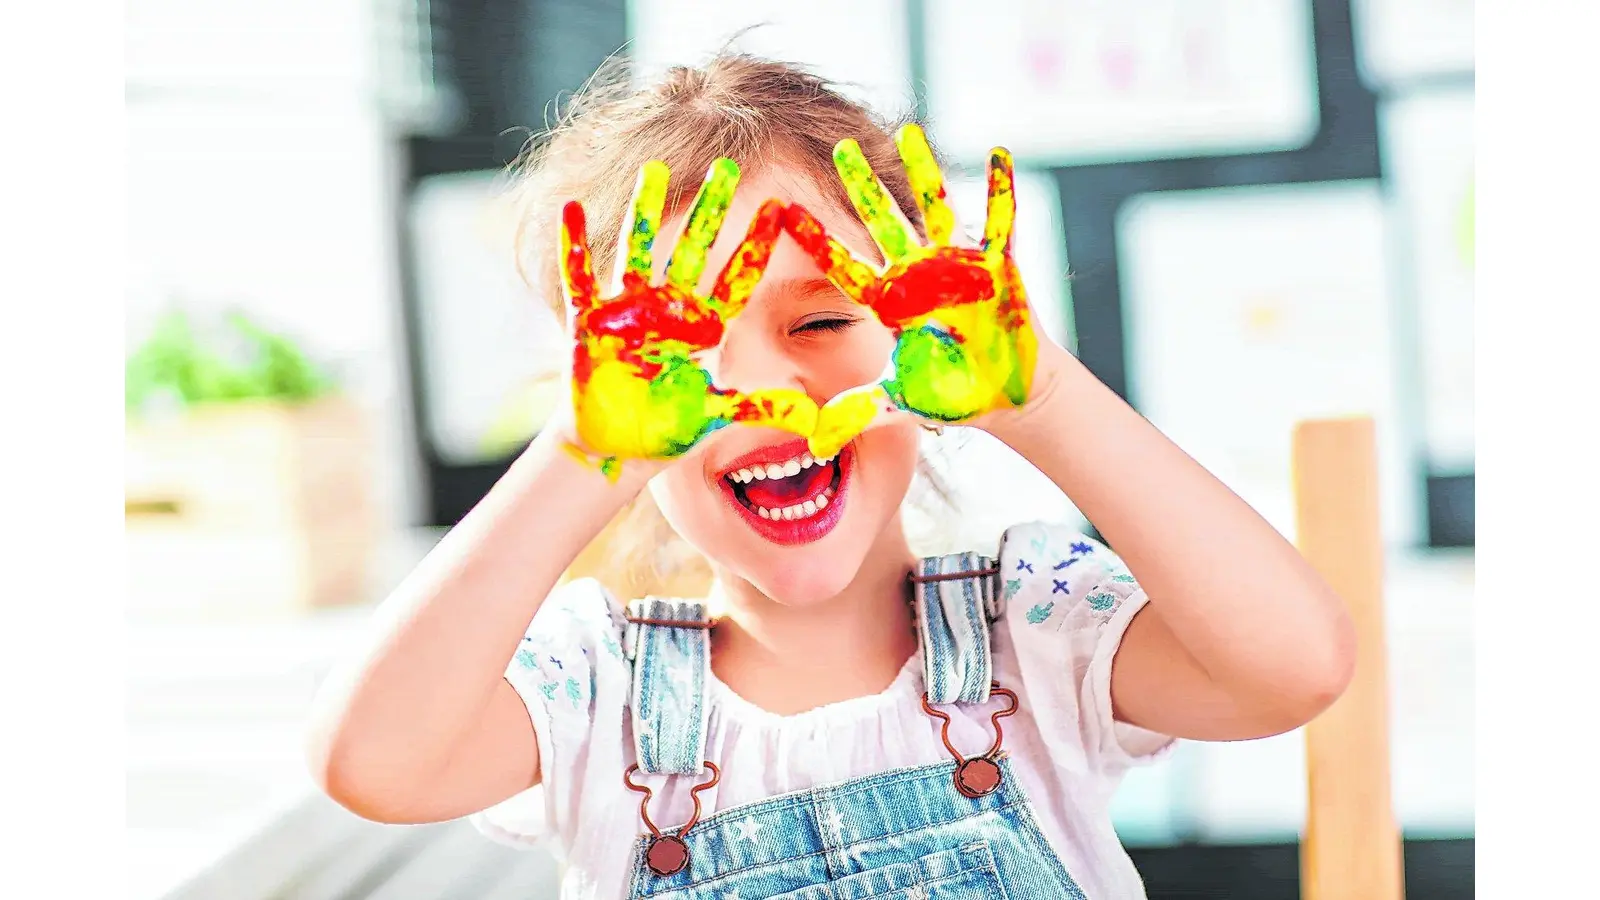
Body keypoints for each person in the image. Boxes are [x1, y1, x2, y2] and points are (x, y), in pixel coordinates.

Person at [305, 53, 1356, 900]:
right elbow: (374, 765)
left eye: (819, 321)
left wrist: (1040, 397)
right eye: (686, 359)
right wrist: (585, 456)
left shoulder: (1034, 633)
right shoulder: (597, 699)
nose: (767, 392)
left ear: (922, 333)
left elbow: (1293, 668)